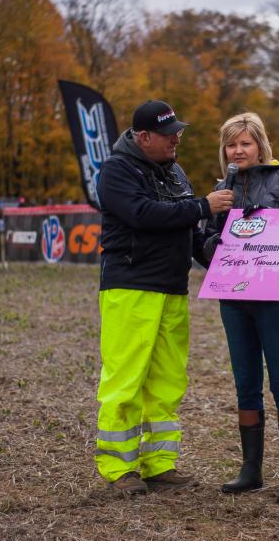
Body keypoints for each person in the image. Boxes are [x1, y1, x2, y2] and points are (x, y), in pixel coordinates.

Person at [95, 99, 234, 496]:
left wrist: (223, 257)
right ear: (143, 137)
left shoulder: (174, 172)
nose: (177, 139)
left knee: (167, 381)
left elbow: (189, 233)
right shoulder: (116, 170)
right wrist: (202, 206)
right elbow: (144, 214)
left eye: (178, 131)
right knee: (125, 380)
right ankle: (118, 471)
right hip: (132, 289)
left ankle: (159, 465)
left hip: (173, 290)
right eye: (169, 133)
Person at [202, 112, 279, 503]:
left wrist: (269, 232)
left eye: (245, 143)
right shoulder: (222, 188)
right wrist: (213, 245)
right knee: (245, 384)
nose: (238, 150)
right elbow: (205, 243)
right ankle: (251, 470)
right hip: (235, 300)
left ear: (260, 145)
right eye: (231, 144)